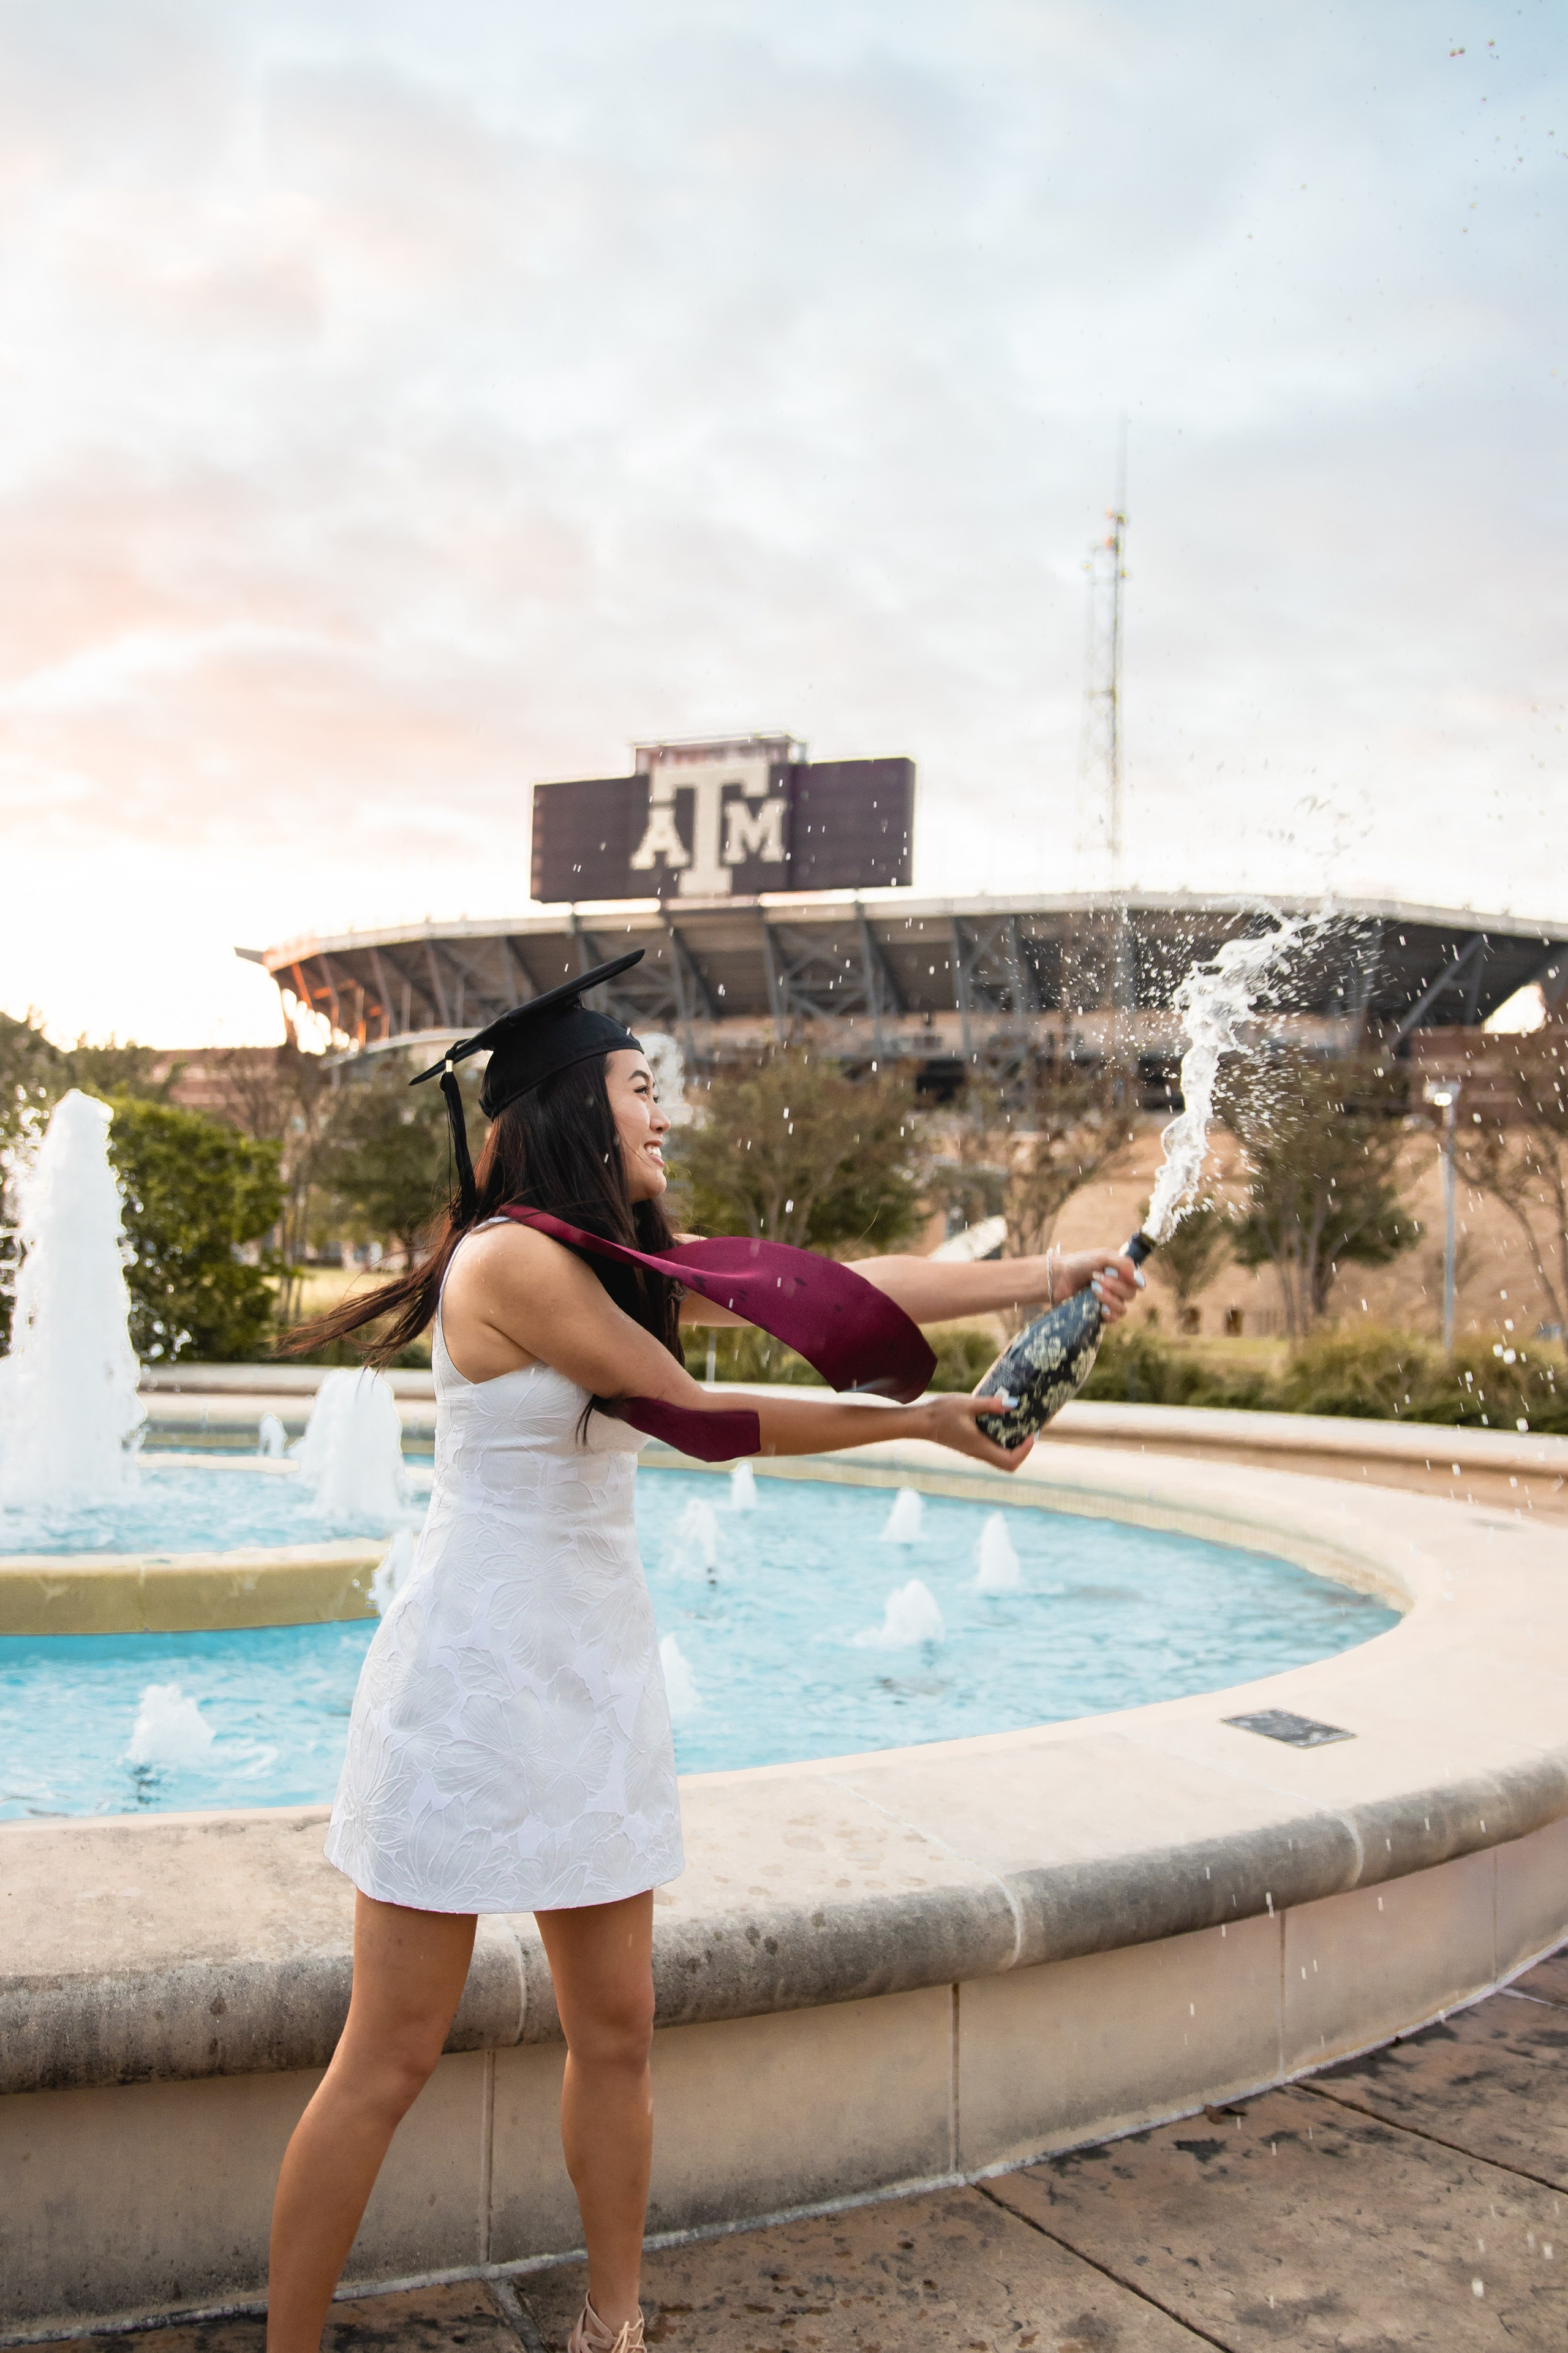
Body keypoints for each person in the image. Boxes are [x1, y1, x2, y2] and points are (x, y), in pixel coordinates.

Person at [265, 954, 1139, 2353]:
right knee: (391, 2052)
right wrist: (918, 1427)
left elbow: (829, 1292)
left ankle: (613, 2325)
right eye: (639, 1086)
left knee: (616, 2032)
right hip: (473, 1681)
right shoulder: (512, 1263)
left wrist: (1046, 1272)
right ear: (569, 1109)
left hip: (592, 1669)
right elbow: (694, 1413)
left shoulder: (615, 1261)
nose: (661, 1114)